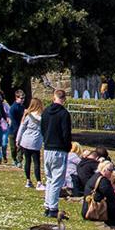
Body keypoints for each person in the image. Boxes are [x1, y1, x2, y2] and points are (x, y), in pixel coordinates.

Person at [41, 89, 71, 218]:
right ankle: (53, 208)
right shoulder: (64, 114)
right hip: (59, 149)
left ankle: (48, 204)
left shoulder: (46, 111)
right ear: (64, 99)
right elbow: (66, 133)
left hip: (47, 148)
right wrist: (67, 146)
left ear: (54, 97)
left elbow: (42, 128)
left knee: (49, 178)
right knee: (57, 180)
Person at [82, 161, 115, 228]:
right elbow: (113, 197)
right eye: (110, 170)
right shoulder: (103, 181)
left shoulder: (96, 176)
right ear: (104, 170)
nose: (112, 172)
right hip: (92, 210)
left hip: (90, 207)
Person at [16, 96, 45, 189]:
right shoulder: (42, 117)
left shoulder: (28, 116)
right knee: (36, 162)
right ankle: (39, 182)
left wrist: (18, 139)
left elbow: (22, 128)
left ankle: (28, 180)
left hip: (26, 140)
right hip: (36, 141)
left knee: (27, 161)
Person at [8, 90, 26, 167]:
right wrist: (17, 130)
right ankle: (14, 159)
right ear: (16, 98)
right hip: (13, 130)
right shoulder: (13, 108)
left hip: (20, 129)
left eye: (23, 98)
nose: (23, 100)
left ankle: (19, 160)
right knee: (13, 147)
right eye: (21, 98)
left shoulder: (23, 107)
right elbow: (13, 120)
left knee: (20, 146)